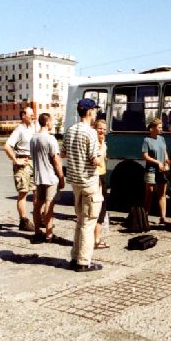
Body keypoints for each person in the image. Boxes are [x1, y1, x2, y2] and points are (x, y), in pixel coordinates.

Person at [61, 98, 103, 272]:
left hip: (75, 182)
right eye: (95, 111)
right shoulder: (90, 133)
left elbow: (63, 153)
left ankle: (74, 256)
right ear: (90, 112)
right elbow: (94, 160)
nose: (96, 114)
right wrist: (102, 154)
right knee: (89, 223)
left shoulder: (70, 130)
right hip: (89, 182)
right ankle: (84, 261)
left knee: (80, 221)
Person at [30, 113, 65, 243]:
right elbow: (56, 160)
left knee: (38, 204)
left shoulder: (33, 138)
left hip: (39, 177)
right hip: (50, 177)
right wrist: (61, 178)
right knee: (49, 206)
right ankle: (49, 234)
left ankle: (37, 231)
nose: (53, 124)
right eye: (52, 121)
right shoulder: (50, 139)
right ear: (47, 122)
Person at [3, 107, 37, 232]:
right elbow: (7, 146)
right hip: (23, 164)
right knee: (23, 193)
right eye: (30, 115)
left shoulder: (34, 128)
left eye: (33, 115)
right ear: (23, 116)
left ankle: (38, 218)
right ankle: (24, 221)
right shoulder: (19, 130)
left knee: (36, 192)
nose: (33, 117)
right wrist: (15, 160)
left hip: (34, 163)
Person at [142, 118, 169, 225]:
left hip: (162, 171)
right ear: (152, 129)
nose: (161, 129)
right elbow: (145, 156)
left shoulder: (161, 139)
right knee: (150, 194)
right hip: (151, 170)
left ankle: (163, 217)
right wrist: (157, 162)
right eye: (159, 127)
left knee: (162, 194)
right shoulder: (146, 140)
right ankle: (144, 217)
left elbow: (165, 152)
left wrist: (166, 163)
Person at [93, 119, 110, 249]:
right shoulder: (96, 143)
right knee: (100, 208)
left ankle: (95, 238)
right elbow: (98, 161)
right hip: (96, 177)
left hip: (102, 175)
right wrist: (102, 147)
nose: (102, 131)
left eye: (104, 129)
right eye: (100, 128)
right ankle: (96, 240)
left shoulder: (102, 142)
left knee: (101, 208)